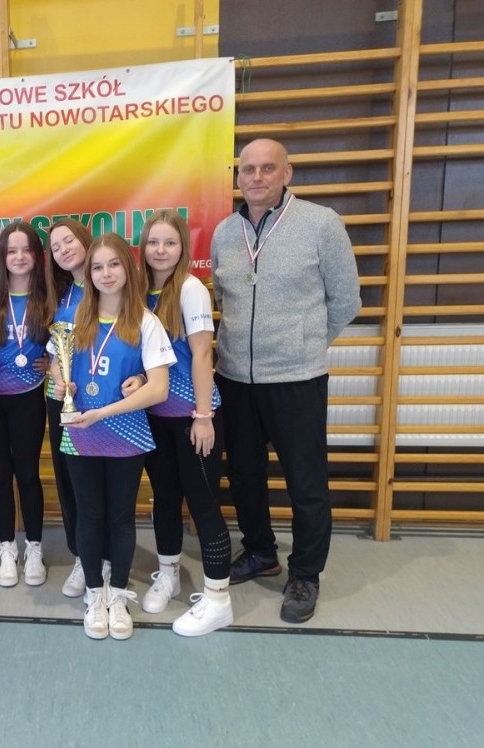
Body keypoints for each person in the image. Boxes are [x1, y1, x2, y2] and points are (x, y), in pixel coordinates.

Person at [210, 138, 361, 624]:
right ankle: (260, 551)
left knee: (306, 482)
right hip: (235, 377)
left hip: (297, 378)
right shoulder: (224, 232)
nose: (256, 177)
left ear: (287, 173)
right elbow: (224, 298)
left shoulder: (321, 224)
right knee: (245, 476)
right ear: (238, 176)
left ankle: (305, 574)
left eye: (267, 168)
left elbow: (346, 300)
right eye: (248, 169)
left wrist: (305, 343)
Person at [49, 232, 175, 641]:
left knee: (121, 517)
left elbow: (159, 389)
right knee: (89, 514)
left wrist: (104, 412)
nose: (106, 274)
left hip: (125, 433)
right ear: (88, 273)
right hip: (80, 434)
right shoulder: (74, 320)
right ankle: (94, 592)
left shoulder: (145, 322)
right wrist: (62, 384)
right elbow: (56, 366)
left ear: (128, 269)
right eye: (98, 267)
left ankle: (117, 595)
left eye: (114, 264)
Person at [130, 210, 233, 637]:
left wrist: (204, 416)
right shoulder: (139, 291)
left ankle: (218, 599)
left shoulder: (190, 289)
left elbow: (203, 354)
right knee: (165, 499)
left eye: (169, 242)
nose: (160, 250)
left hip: (193, 418)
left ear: (182, 248)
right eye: (153, 242)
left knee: (204, 504)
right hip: (155, 416)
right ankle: (168, 573)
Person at [0, 221, 50, 588]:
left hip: (29, 397)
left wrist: (54, 362)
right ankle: (7, 546)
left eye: (26, 249)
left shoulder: (49, 297)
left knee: (28, 474)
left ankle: (34, 546)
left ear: (37, 255)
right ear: (2, 256)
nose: (19, 257)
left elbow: (65, 343)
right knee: (0, 474)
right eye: (11, 250)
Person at [43, 218, 96, 597]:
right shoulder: (61, 295)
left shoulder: (110, 283)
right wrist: (57, 377)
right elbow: (54, 352)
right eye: (56, 247)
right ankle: (82, 556)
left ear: (85, 239)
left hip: (103, 400)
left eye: (69, 241)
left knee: (99, 481)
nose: (63, 250)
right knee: (69, 481)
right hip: (61, 398)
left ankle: (107, 557)